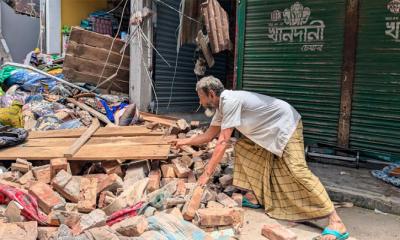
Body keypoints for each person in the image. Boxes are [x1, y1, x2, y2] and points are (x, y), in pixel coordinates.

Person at [171, 76, 349, 240]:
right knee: (244, 148)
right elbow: (209, 136)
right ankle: (256, 197)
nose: (200, 102)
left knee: (297, 170)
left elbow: (222, 141)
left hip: (286, 126)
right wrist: (183, 142)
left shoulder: (230, 101)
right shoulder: (221, 107)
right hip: (269, 133)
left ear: (211, 94)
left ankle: (336, 221)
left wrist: (206, 174)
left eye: (201, 97)